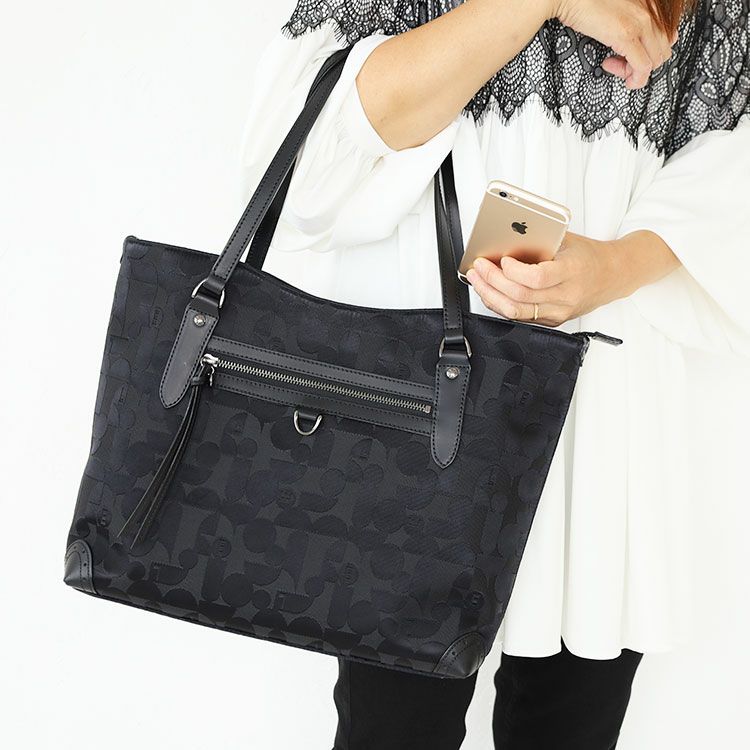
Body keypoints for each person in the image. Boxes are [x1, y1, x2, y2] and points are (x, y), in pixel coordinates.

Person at [237, 0, 750, 747]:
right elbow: (308, 151)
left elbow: (732, 167)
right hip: (415, 402)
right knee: (392, 728)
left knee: (571, 721)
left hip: (604, 410)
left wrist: (612, 267)